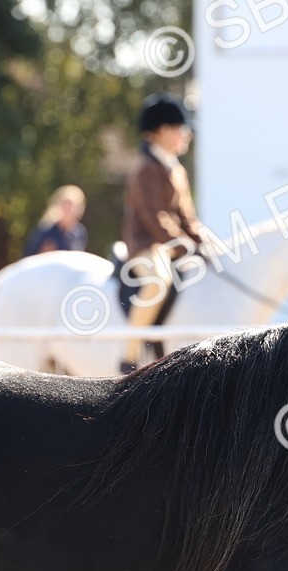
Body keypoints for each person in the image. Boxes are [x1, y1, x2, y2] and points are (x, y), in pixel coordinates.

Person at [120, 93, 203, 369]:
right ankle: (129, 354)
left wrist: (204, 241)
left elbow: (187, 217)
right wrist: (184, 244)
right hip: (146, 245)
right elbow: (156, 219)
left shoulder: (176, 170)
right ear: (161, 131)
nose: (186, 135)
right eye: (180, 129)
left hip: (169, 244)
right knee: (158, 281)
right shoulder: (145, 169)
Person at [23, 185, 87, 257]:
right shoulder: (45, 230)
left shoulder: (79, 232)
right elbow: (30, 257)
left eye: (74, 205)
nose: (70, 209)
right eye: (67, 204)